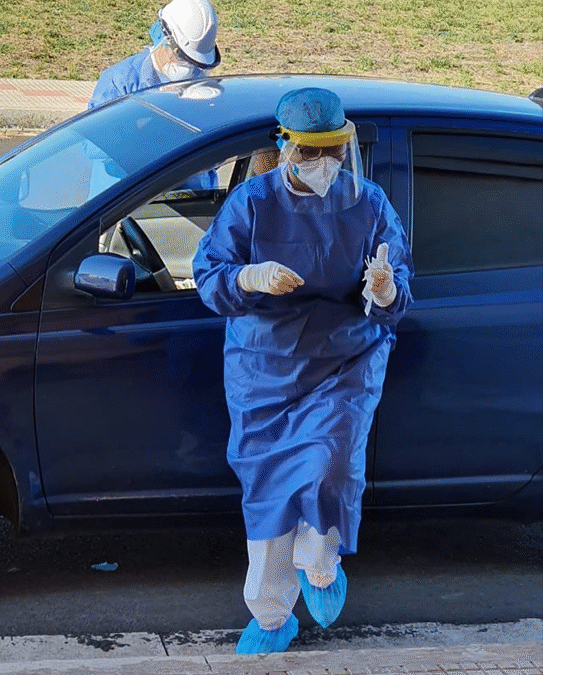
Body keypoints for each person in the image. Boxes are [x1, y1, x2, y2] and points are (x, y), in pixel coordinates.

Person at [192, 87, 414, 654]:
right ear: (285, 148)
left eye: (330, 153)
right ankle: (271, 616)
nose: (321, 167)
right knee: (267, 491)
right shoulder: (251, 203)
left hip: (345, 361)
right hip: (264, 366)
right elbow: (210, 272)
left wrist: (384, 290)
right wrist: (247, 278)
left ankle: (321, 564)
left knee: (327, 470)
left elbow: (396, 289)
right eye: (309, 154)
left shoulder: (369, 205)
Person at [87, 0, 221, 110]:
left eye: (193, 63)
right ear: (161, 37)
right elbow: (98, 133)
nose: (188, 70)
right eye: (180, 57)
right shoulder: (121, 82)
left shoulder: (199, 84)